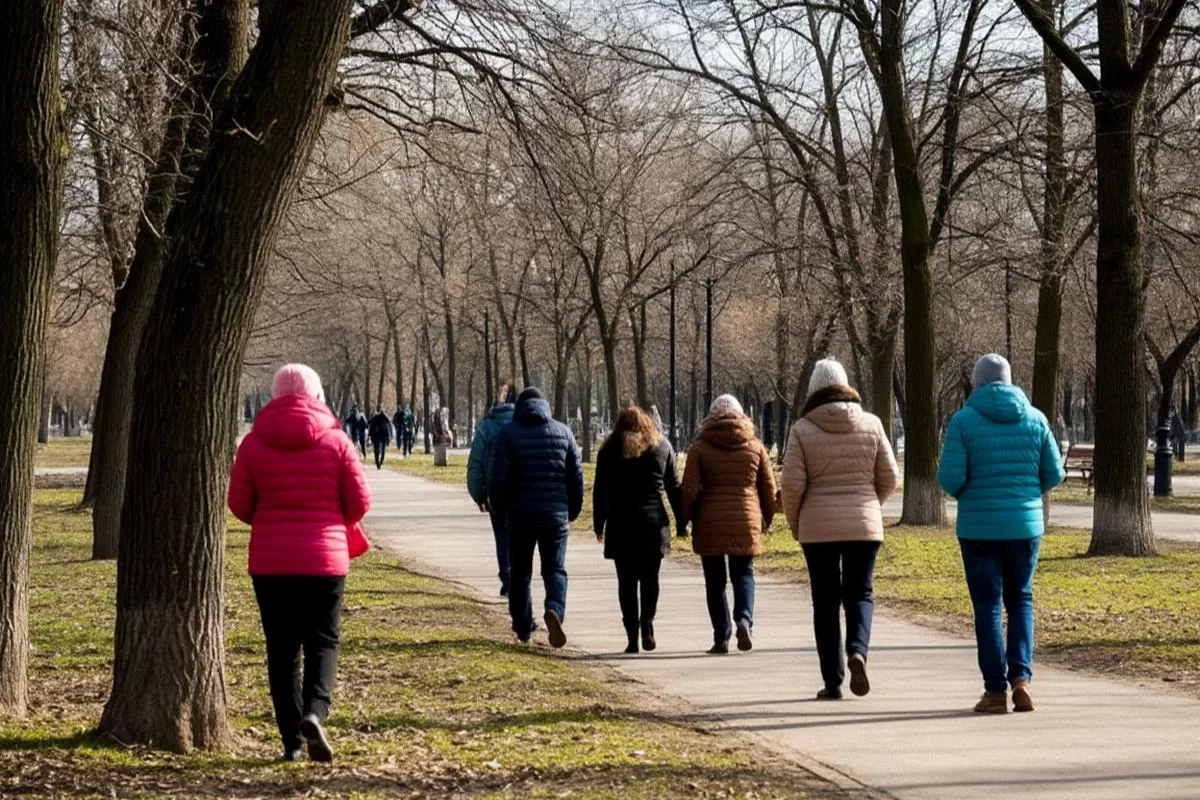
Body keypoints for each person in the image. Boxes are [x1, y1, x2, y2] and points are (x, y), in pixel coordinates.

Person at [228, 364, 371, 762]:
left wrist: (271, 516)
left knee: (282, 649)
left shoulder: (253, 444)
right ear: (318, 395)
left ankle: (291, 743)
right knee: (323, 641)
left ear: (274, 397)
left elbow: (239, 505)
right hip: (325, 560)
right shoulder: (338, 442)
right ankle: (315, 713)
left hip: (271, 563)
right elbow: (361, 503)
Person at [938, 354, 1064, 714]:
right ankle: (1021, 678)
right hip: (1025, 527)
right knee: (1021, 599)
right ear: (1009, 381)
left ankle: (995, 691)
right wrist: (1025, 489)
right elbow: (1053, 474)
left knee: (988, 607)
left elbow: (950, 479)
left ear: (977, 384)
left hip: (978, 528)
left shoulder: (963, 422)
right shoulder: (1036, 419)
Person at [780, 359, 899, 700]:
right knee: (860, 593)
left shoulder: (802, 429)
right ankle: (858, 651)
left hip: (818, 527)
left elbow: (791, 485)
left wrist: (795, 522)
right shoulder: (872, 424)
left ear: (814, 390)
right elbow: (890, 476)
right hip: (864, 525)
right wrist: (869, 504)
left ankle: (832, 681)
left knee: (825, 601)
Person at [680, 394, 777, 654]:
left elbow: (689, 489)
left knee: (715, 581)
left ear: (711, 417)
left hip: (709, 520)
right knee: (743, 574)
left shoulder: (700, 447)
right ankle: (743, 619)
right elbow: (768, 488)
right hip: (745, 519)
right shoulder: (755, 446)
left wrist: (684, 519)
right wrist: (768, 517)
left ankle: (721, 636)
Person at [488, 387, 584, 648]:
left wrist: (499, 508)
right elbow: (575, 478)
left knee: (520, 574)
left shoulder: (507, 435)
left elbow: (498, 479)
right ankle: (554, 608)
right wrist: (572, 510)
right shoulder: (564, 433)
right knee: (555, 569)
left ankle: (523, 628)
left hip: (519, 517)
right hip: (555, 516)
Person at [593, 404, 683, 653]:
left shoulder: (609, 451)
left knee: (626, 581)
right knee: (650, 578)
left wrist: (598, 523)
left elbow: (601, 490)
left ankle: (631, 635)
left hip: (621, 523)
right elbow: (674, 487)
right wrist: (682, 521)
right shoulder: (662, 447)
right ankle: (648, 624)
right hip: (653, 524)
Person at [467, 380, 519, 596]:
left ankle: (507, 577)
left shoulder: (486, 427)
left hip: (494, 492)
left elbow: (475, 463)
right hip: (519, 492)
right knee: (518, 537)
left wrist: (478, 494)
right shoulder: (521, 424)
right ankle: (518, 577)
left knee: (501, 536)